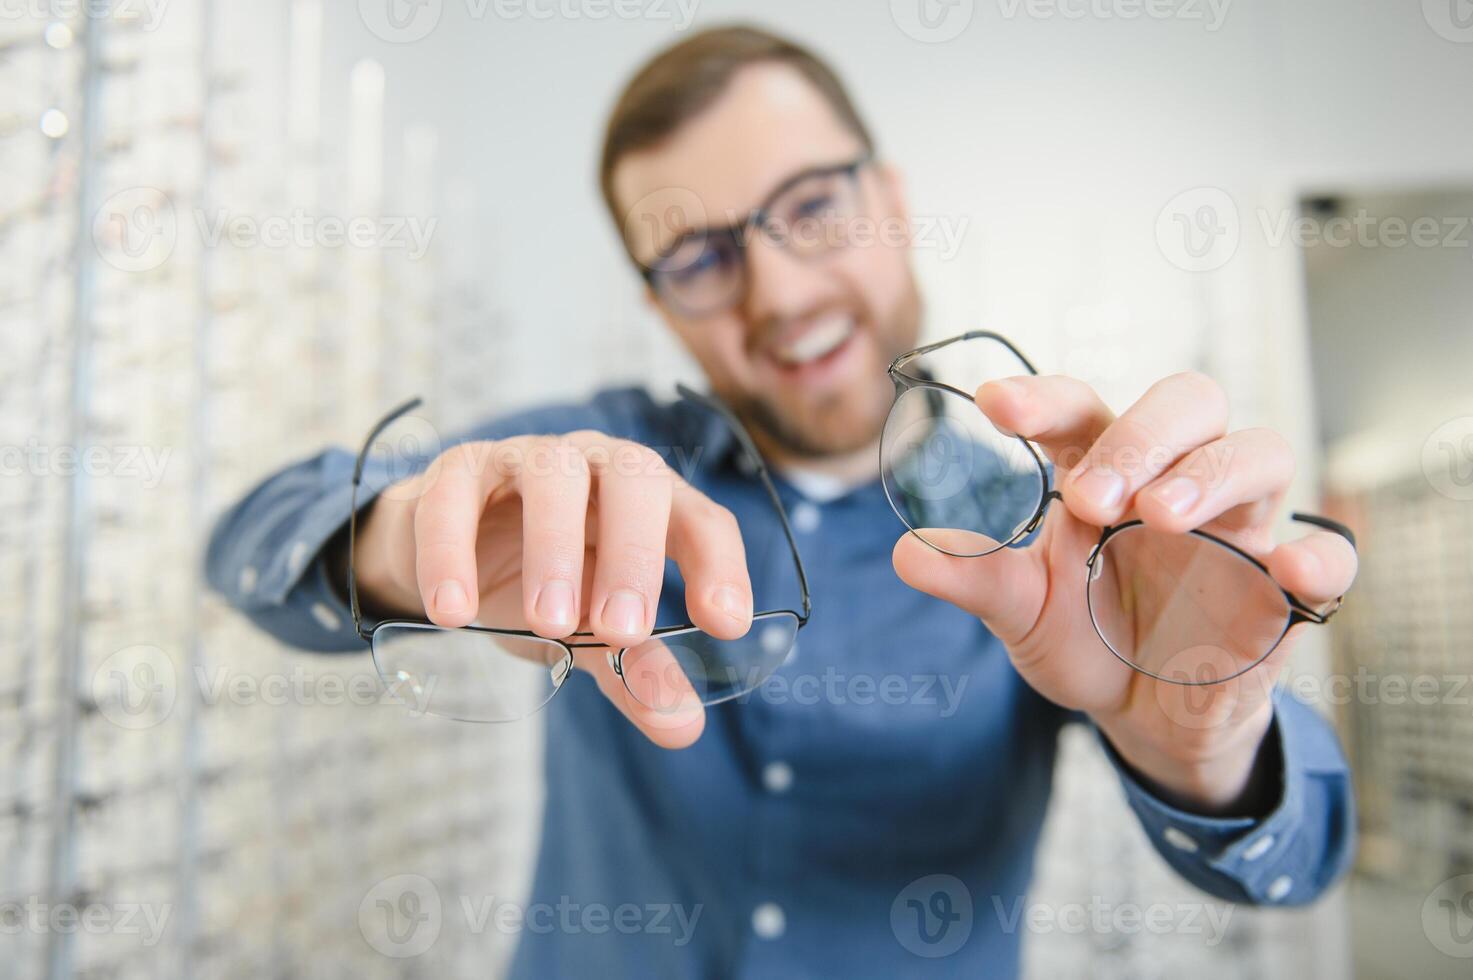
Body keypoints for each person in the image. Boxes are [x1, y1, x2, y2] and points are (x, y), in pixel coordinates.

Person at [206, 25, 1358, 978]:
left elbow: (1292, 865)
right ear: (660, 305)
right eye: (700, 257)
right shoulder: (582, 462)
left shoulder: (1055, 541)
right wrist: (395, 546)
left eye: (811, 207)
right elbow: (249, 542)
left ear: (894, 202)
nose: (781, 290)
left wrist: (1208, 749)